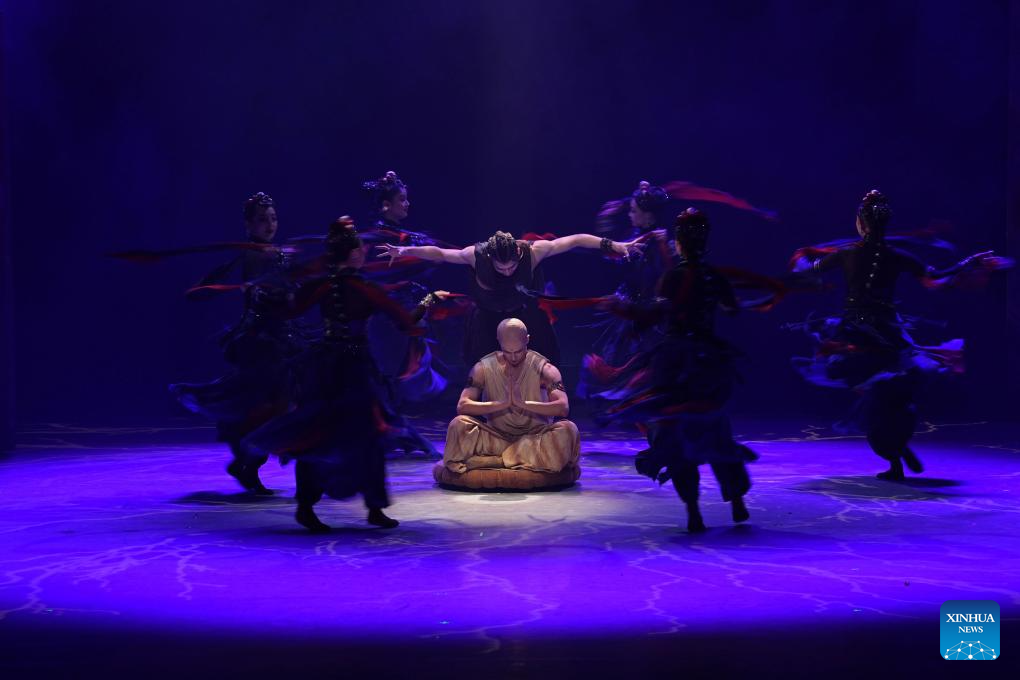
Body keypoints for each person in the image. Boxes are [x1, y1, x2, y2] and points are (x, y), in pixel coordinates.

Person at [241, 217, 450, 532]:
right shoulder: (364, 289)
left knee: (316, 433)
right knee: (366, 435)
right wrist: (429, 301)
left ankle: (309, 506)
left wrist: (269, 292)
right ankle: (373, 507)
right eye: (361, 248)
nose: (365, 251)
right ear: (352, 254)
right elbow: (405, 322)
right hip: (354, 370)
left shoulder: (322, 286)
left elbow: (289, 309)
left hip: (325, 366)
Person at [789, 190, 1010, 481]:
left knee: (868, 386)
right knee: (888, 388)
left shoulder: (848, 253)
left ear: (861, 223)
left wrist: (800, 259)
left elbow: (809, 271)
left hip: (857, 329)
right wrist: (968, 262)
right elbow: (935, 278)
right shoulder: (897, 255)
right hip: (887, 329)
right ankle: (896, 449)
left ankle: (894, 449)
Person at [591, 208, 756, 533]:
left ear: (679, 242)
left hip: (678, 363)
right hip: (709, 363)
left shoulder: (674, 277)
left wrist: (622, 310)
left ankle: (694, 511)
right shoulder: (713, 276)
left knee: (674, 431)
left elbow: (655, 314)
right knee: (716, 428)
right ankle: (737, 501)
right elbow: (732, 309)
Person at [170, 192, 304, 494]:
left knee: (286, 403)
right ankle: (247, 461)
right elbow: (260, 288)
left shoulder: (277, 253)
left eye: (273, 218)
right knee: (262, 404)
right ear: (248, 225)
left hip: (285, 336)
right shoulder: (252, 255)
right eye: (262, 220)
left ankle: (251, 461)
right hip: (261, 341)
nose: (270, 225)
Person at [377, 229, 642, 367]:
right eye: (500, 268)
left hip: (523, 312)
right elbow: (441, 254)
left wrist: (614, 245)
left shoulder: (533, 253)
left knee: (544, 360)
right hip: (487, 314)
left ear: (518, 254)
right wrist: (403, 250)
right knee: (481, 367)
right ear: (490, 258)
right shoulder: (476, 255)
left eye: (511, 267)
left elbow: (574, 240)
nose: (506, 272)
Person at [443, 318, 580, 475]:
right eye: (508, 352)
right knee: (458, 425)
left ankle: (496, 461)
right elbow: (463, 406)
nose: (513, 357)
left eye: (519, 351)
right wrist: (502, 404)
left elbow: (562, 407)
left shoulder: (546, 369)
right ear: (499, 341)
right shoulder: (482, 368)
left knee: (568, 430)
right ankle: (517, 458)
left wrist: (522, 404)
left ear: (527, 339)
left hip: (535, 439)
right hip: (497, 438)